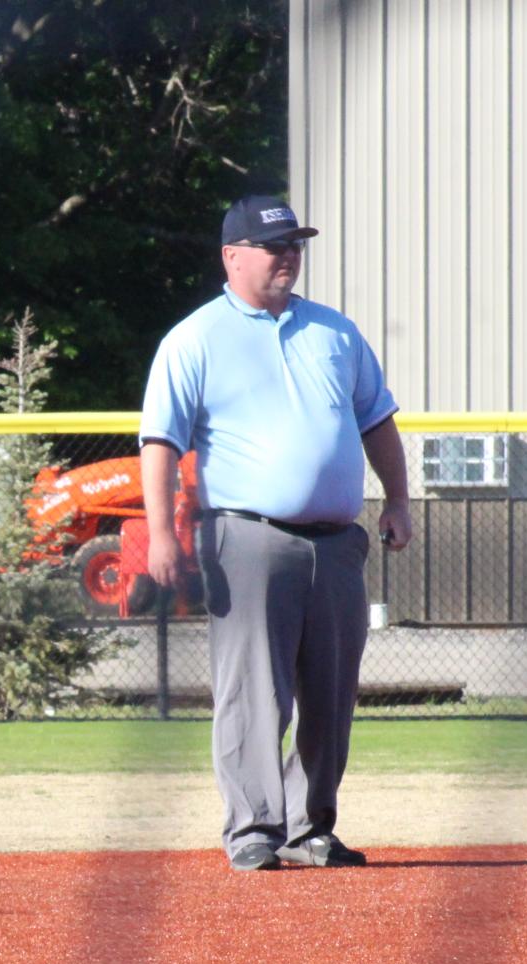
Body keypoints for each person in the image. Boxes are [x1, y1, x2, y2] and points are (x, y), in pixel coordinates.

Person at [138, 194, 414, 872]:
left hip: (336, 539)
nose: (287, 253)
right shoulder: (195, 337)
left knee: (329, 694)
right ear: (231, 256)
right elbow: (159, 442)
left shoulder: (334, 332)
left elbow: (376, 422)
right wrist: (160, 535)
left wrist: (398, 499)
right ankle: (253, 830)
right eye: (272, 244)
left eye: (294, 242)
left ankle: (309, 827)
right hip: (246, 535)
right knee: (254, 692)